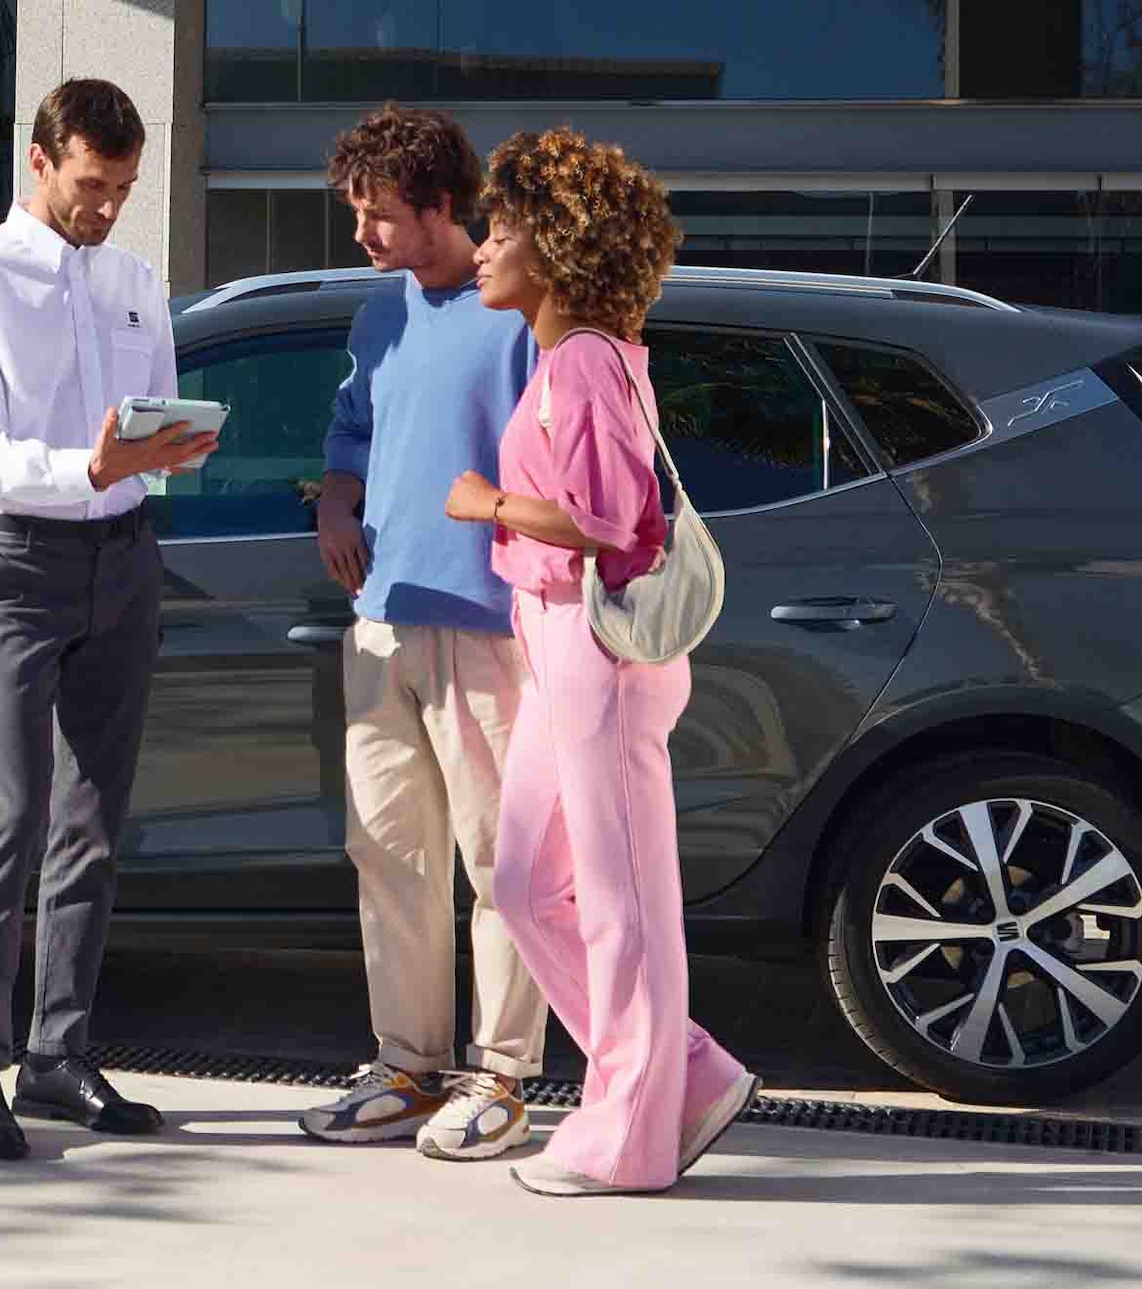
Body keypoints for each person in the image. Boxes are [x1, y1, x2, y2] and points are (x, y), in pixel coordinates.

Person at [439, 126, 760, 1196]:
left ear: (557, 251)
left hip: (596, 644)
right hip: (556, 643)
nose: (482, 250)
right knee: (529, 883)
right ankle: (686, 1072)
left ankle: (627, 1134)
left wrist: (484, 500)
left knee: (623, 900)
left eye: (501, 232)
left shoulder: (580, 359)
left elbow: (611, 519)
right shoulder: (578, 357)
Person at [0, 76, 215, 1162]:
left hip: (126, 559)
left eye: (123, 187)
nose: (107, 206)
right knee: (9, 812)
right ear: (37, 161)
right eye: (92, 184)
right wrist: (87, 462)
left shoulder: (136, 280)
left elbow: (160, 423)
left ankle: (56, 1053)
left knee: (93, 819)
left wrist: (172, 447)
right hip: (16, 563)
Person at [288, 105, 555, 1162]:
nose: (361, 235)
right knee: (389, 852)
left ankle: (500, 1073)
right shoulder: (378, 313)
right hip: (379, 622)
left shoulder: (517, 310)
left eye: (379, 217)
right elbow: (349, 430)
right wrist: (333, 502)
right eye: (355, 213)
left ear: (441, 206)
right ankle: (405, 1065)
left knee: (499, 860)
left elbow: (565, 463)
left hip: (487, 624)